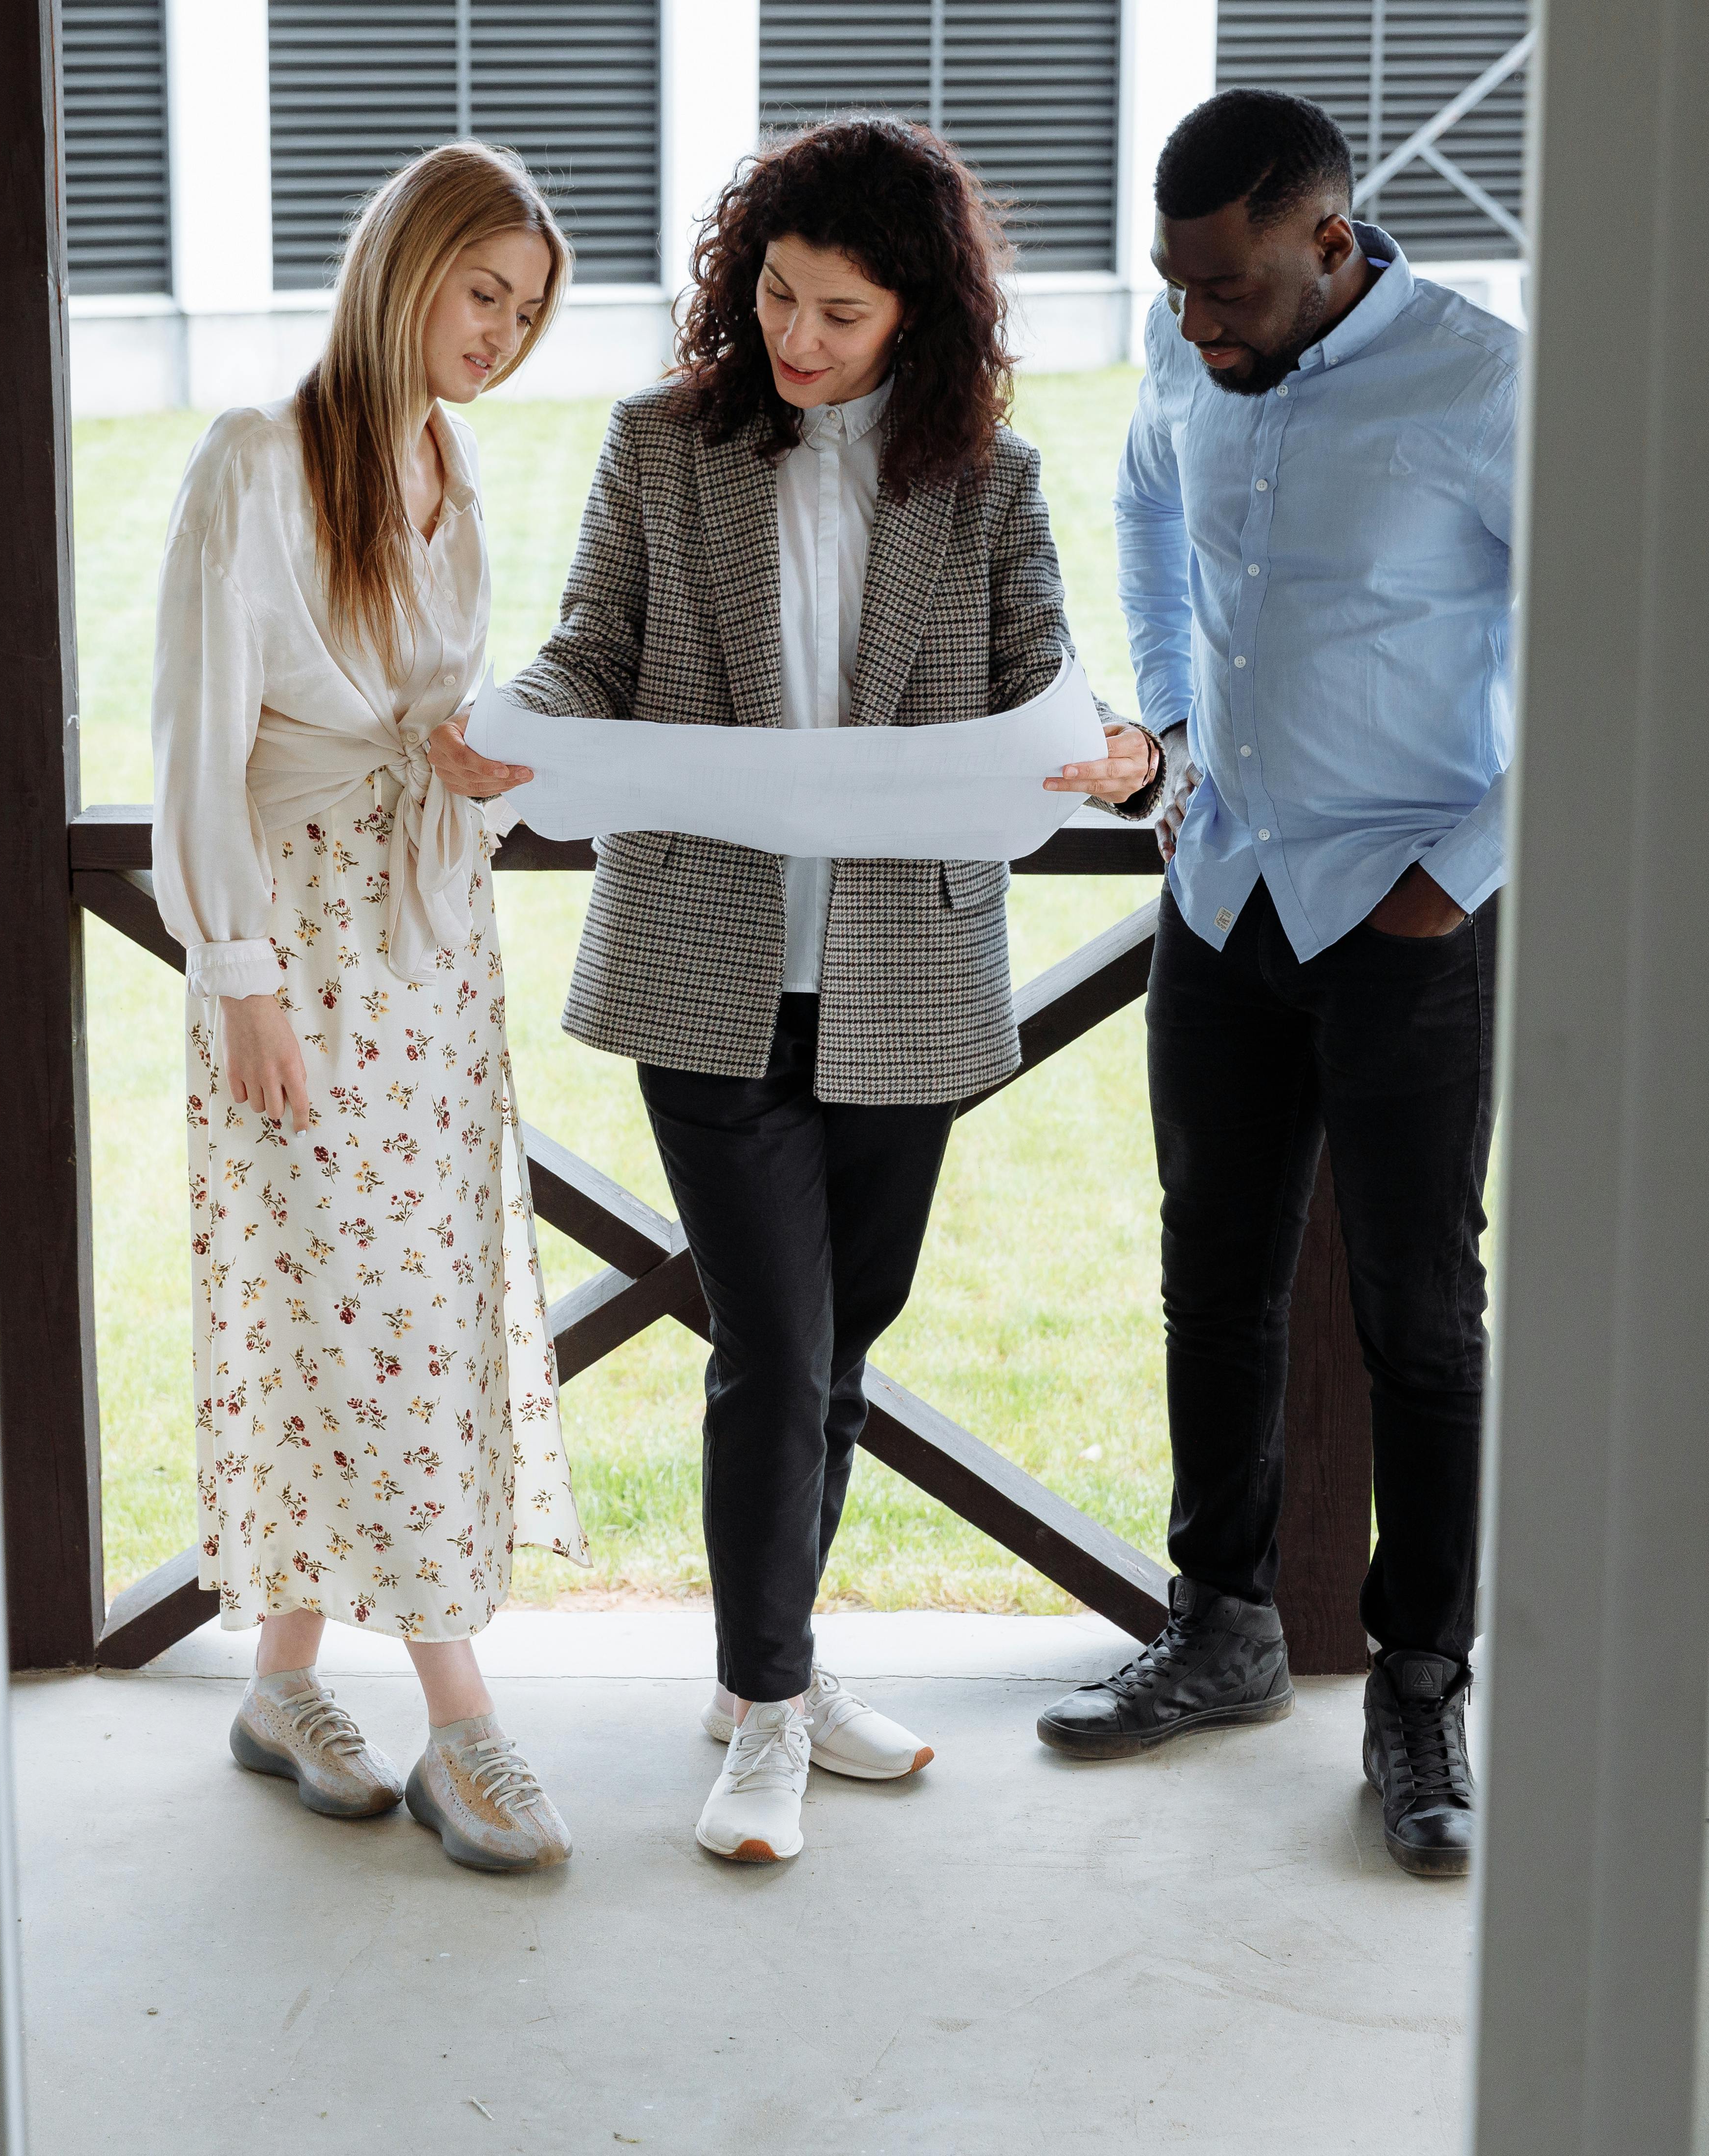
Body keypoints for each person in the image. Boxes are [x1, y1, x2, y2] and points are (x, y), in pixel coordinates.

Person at [502, 116, 1166, 1865]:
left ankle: (759, 1681)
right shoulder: (665, 447)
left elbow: (1046, 679)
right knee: (773, 1351)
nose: (796, 340)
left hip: (904, 977)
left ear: (918, 318)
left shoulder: (990, 482)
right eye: (777, 297)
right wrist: (522, 727)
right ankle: (772, 1713)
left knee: (840, 1346)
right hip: (706, 964)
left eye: (840, 314)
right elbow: (595, 639)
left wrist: (1116, 755)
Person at [1031, 88, 1518, 1881]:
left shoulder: (1484, 386)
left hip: (1410, 925)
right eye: (1175, 289)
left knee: (1420, 1318)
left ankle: (1418, 1687)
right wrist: (1163, 731)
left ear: (1330, 242)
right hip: (1225, 895)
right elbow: (1145, 508)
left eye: (1228, 288)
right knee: (1211, 1279)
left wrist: (1450, 874)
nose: (1195, 324)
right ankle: (1224, 1631)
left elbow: (1606, 630)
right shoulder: (1193, 358)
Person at [149, 143, 587, 1875]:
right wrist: (238, 973)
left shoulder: (448, 466)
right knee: (342, 1293)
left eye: (528, 310)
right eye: (483, 292)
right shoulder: (257, 463)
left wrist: (474, 764)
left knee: (400, 1301)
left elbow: (428, 717)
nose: (501, 333)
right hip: (298, 948)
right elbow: (196, 744)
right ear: (402, 268)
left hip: (430, 945)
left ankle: (280, 1682)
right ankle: (461, 1722)